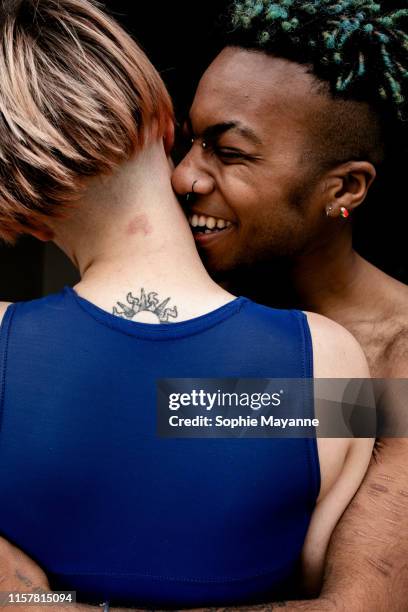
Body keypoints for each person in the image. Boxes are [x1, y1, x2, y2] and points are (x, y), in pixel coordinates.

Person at [0, 1, 374, 611]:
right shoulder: (329, 362)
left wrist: (41, 603)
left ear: (20, 208)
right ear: (162, 124)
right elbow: (340, 597)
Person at [171, 0, 408, 609]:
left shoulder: (399, 359)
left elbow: (360, 606)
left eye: (229, 152)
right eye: (190, 141)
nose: (184, 177)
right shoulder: (179, 315)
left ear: (345, 189)